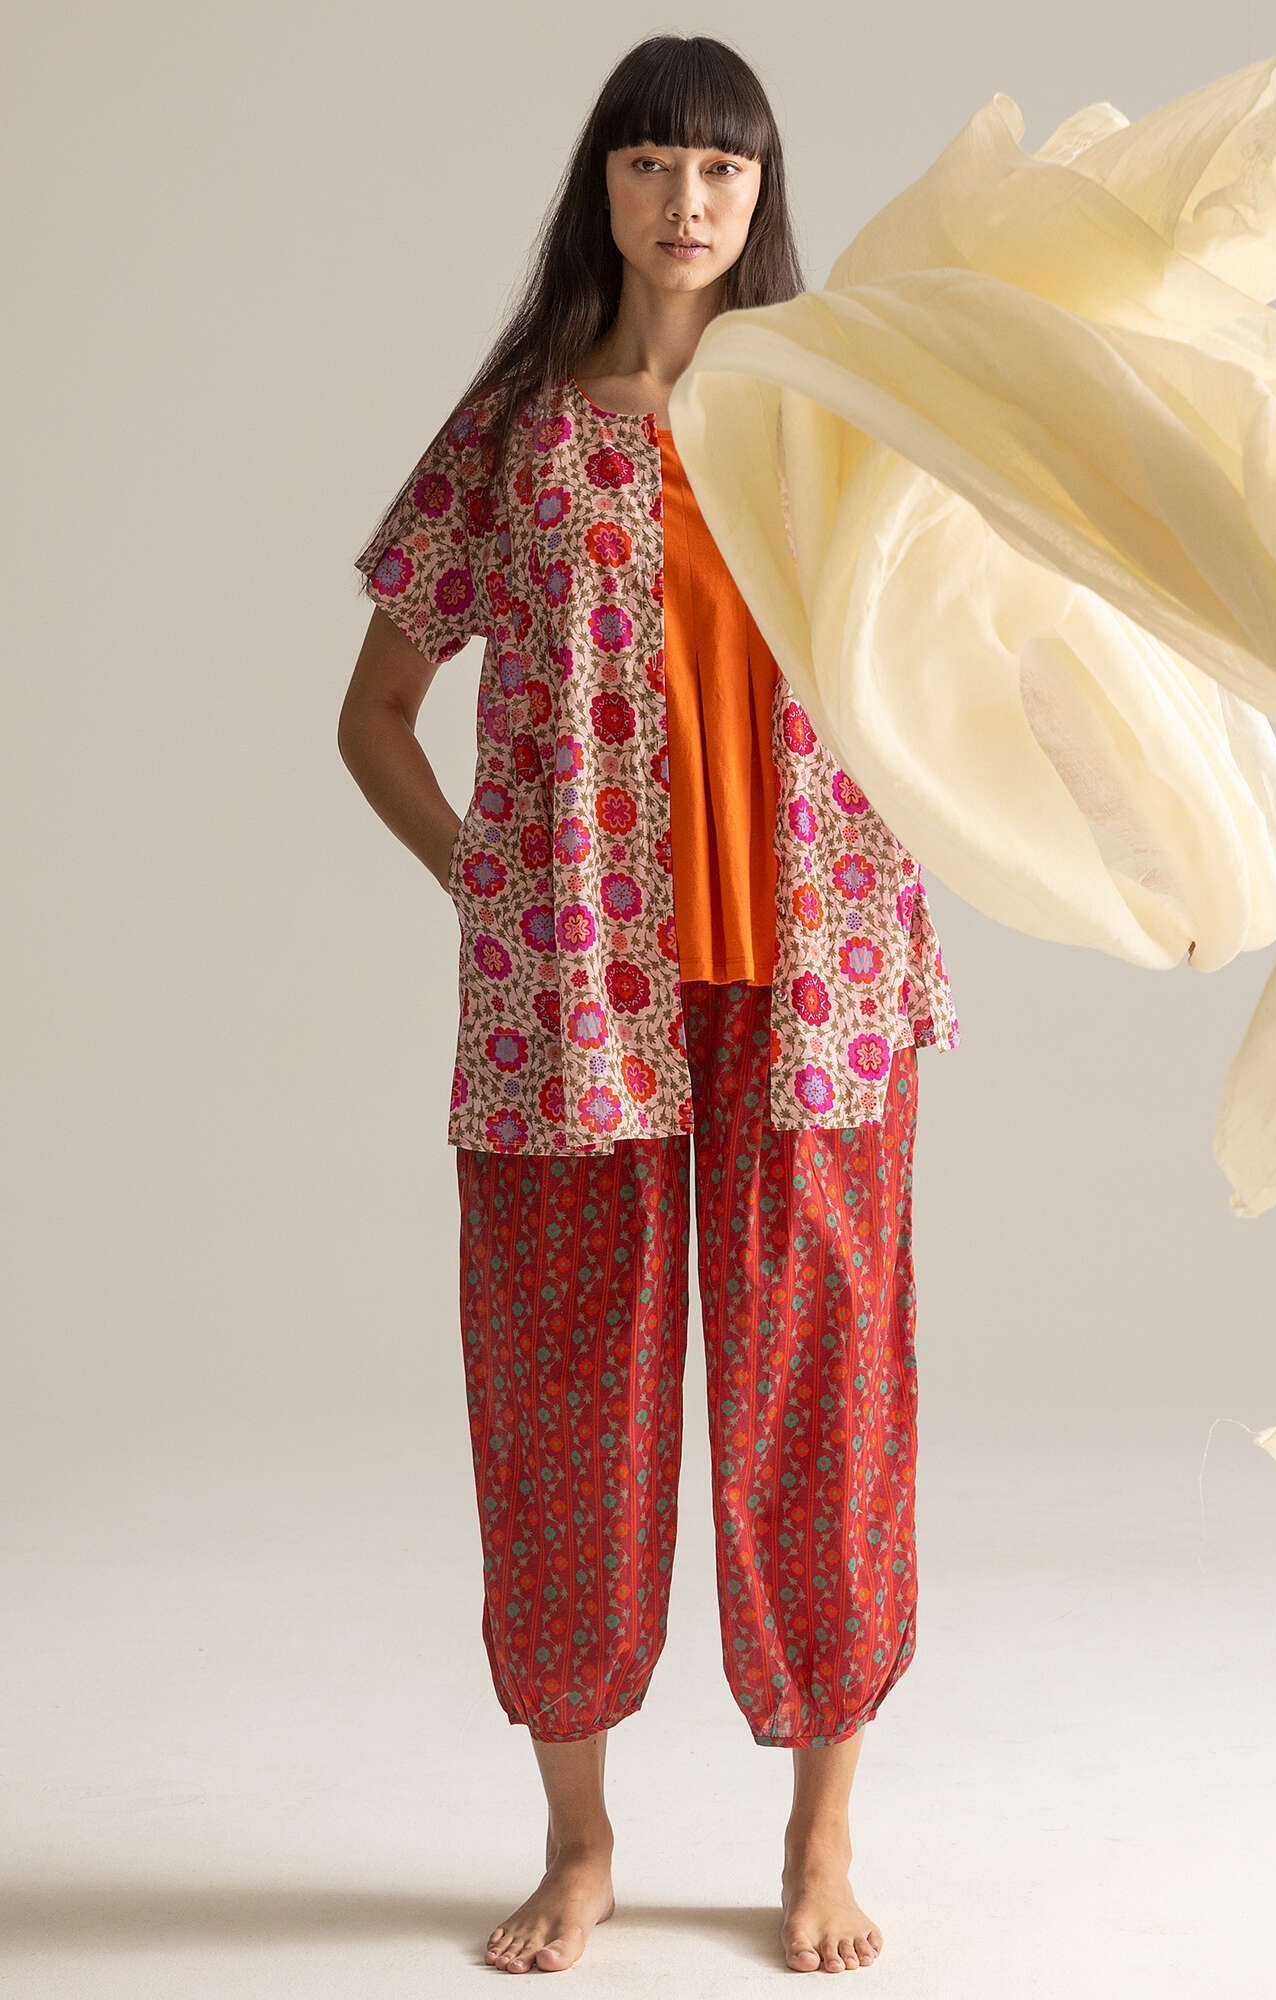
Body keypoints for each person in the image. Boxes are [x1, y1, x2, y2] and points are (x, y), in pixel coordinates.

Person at [338, 32, 959, 1977]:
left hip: (818, 978)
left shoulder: (832, 407)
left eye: (722, 169)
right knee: (565, 1411)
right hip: (576, 1008)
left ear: (761, 195)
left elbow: (955, 642)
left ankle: (820, 1837)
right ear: (598, 183)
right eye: (651, 163)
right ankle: (580, 1840)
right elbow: (374, 713)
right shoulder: (522, 429)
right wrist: (494, 889)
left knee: (823, 1401)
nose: (687, 202)